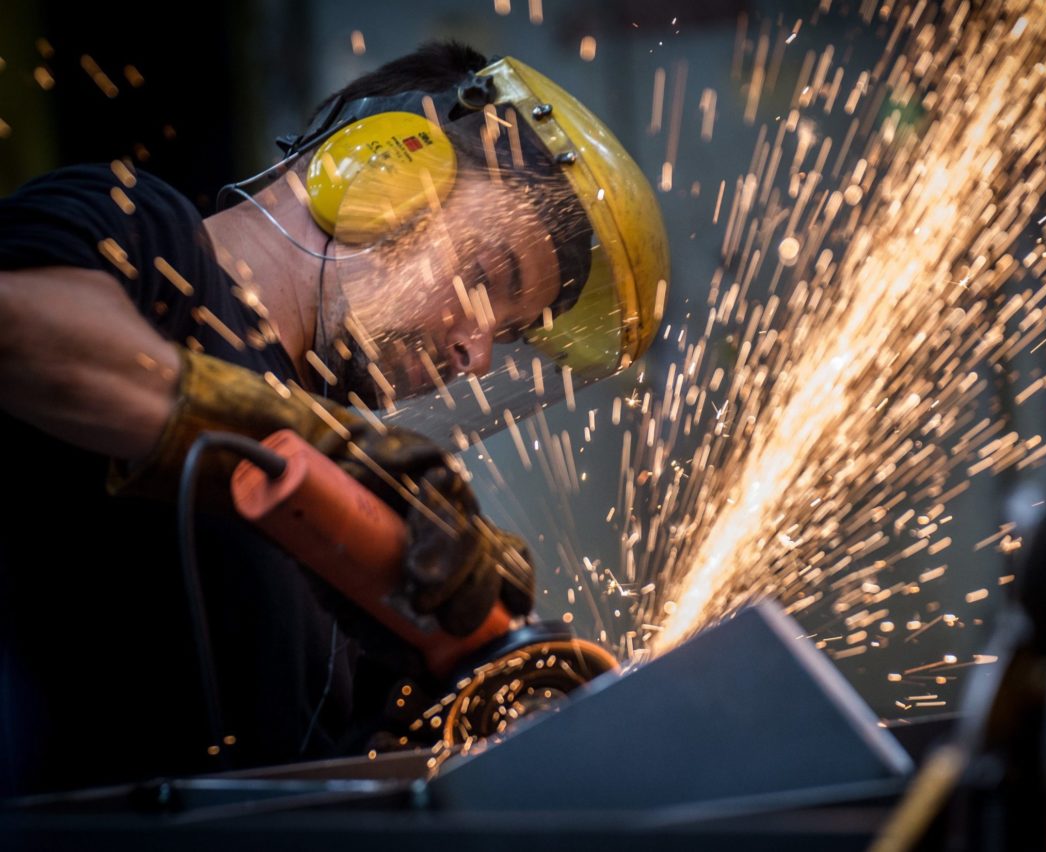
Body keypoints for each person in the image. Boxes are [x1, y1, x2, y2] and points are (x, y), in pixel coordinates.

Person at [0, 40, 669, 797]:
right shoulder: (143, 232)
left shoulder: (355, 518)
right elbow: (21, 329)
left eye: (505, 334)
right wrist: (310, 449)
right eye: (486, 277)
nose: (474, 354)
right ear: (379, 172)